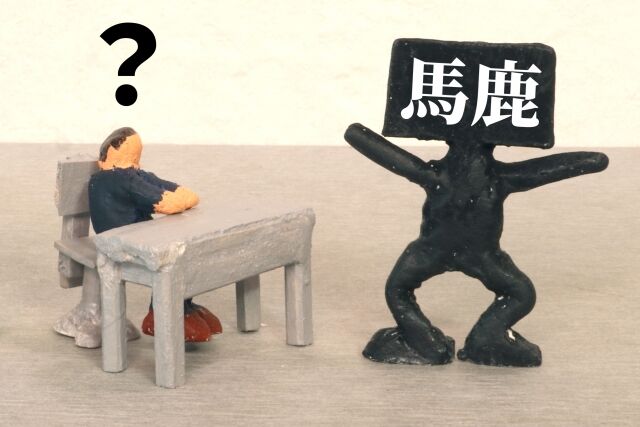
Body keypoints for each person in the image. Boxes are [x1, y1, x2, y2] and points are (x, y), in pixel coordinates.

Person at [89, 127, 222, 342]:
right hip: (118, 241)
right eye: (132, 153)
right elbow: (169, 203)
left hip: (139, 233)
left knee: (183, 248)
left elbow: (188, 195)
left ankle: (184, 306)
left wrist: (179, 199)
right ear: (114, 152)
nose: (135, 159)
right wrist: (178, 200)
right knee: (174, 256)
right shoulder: (119, 179)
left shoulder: (134, 174)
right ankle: (159, 314)